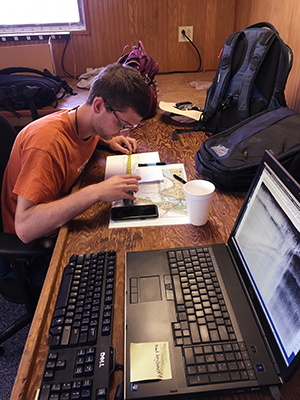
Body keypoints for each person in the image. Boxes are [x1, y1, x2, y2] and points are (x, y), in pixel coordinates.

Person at [0, 63, 151, 286]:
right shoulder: (46, 145)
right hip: (34, 251)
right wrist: (97, 191)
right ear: (99, 105)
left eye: (131, 127)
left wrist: (108, 139)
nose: (124, 131)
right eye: (122, 124)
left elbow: (78, 138)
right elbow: (25, 228)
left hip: (61, 226)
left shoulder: (85, 123)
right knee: (118, 279)